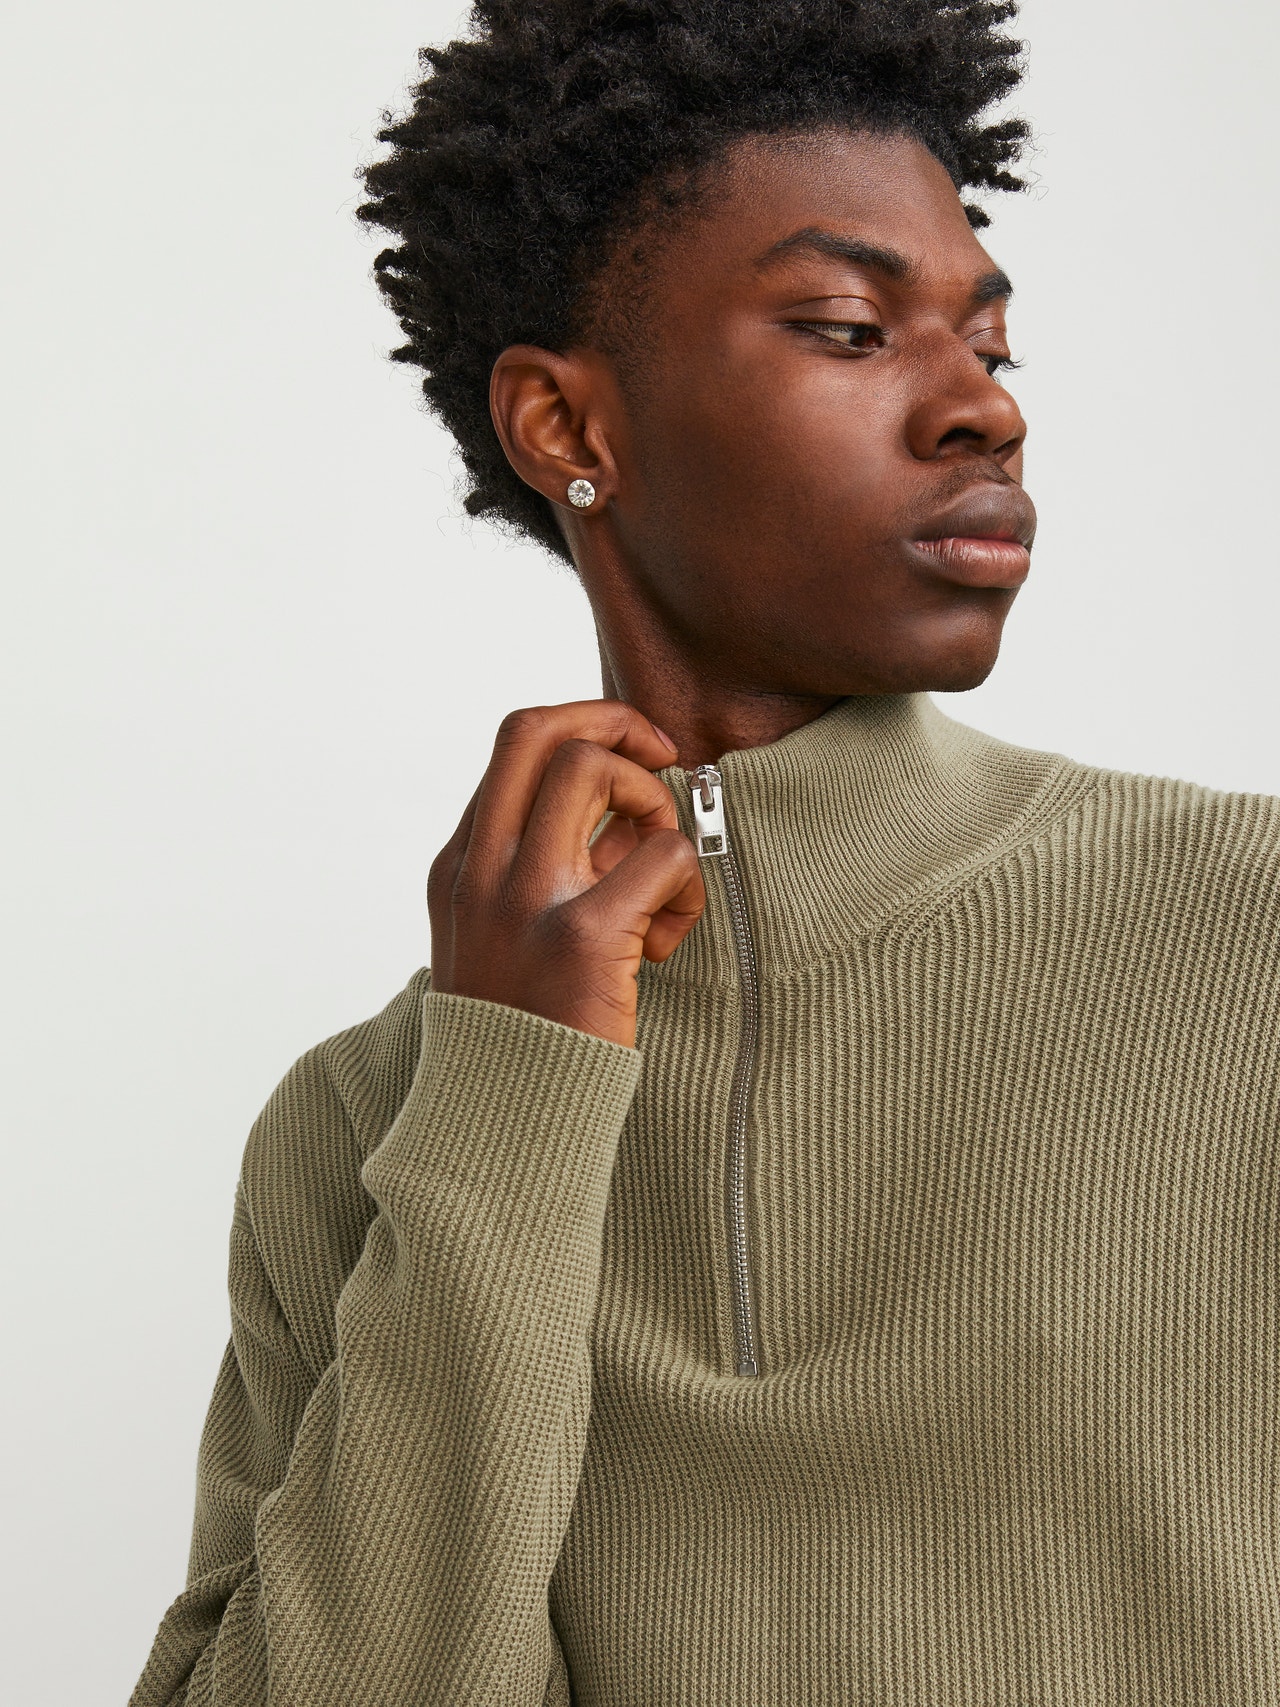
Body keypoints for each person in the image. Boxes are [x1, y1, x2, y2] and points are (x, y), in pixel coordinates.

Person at [130, 1, 1280, 1702]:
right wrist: (510, 1084)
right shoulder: (364, 1122)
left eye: (992, 345)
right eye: (848, 330)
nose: (983, 411)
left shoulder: (1249, 935)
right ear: (566, 429)